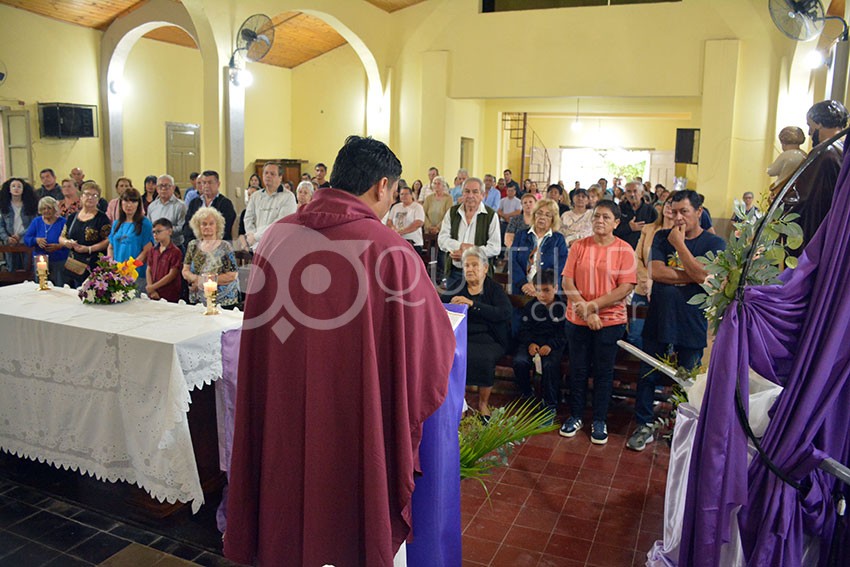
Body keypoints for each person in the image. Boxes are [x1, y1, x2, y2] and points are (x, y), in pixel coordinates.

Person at [224, 135, 455, 567]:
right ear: (381, 186)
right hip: (354, 420)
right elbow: (434, 342)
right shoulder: (391, 250)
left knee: (286, 502)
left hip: (282, 410)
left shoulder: (275, 236)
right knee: (351, 511)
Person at [627, 190, 726, 452]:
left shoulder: (714, 244)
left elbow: (708, 277)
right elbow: (657, 272)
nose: (678, 217)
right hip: (659, 318)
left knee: (686, 380)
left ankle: (679, 429)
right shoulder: (661, 237)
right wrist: (693, 276)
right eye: (674, 212)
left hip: (692, 323)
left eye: (685, 212)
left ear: (699, 213)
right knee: (647, 375)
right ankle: (645, 424)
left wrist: (680, 246)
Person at [560, 200, 637, 445]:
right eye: (596, 217)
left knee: (604, 372)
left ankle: (599, 419)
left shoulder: (625, 249)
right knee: (578, 369)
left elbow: (625, 287)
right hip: (578, 319)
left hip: (610, 321)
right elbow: (567, 282)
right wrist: (585, 309)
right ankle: (575, 416)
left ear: (616, 222)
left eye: (605, 217)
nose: (600, 221)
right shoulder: (579, 246)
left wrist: (593, 307)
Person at [444, 246, 511, 418]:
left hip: (491, 338)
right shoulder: (457, 287)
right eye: (467, 265)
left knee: (484, 357)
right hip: (464, 337)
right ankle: (461, 402)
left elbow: (504, 313)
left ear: (485, 268)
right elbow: (440, 303)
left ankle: (483, 403)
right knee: (453, 354)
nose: (470, 269)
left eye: (475, 265)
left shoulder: (494, 289)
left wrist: (473, 304)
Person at [786, 100, 848, 250]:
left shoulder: (824, 153)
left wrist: (784, 206)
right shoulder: (844, 150)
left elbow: (804, 196)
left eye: (810, 125)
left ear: (819, 123)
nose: (809, 132)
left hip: (815, 229)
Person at [512, 269, 567, 420]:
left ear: (555, 288)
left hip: (553, 345)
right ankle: (527, 393)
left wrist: (550, 345)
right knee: (520, 361)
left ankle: (550, 405)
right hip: (532, 342)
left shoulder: (563, 307)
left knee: (550, 365)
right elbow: (524, 329)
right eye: (538, 290)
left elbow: (565, 333)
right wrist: (530, 343)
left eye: (546, 290)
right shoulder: (531, 307)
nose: (542, 294)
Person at [437, 176, 501, 292]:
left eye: (475, 192)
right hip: (455, 272)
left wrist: (469, 253)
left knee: (477, 307)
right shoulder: (452, 213)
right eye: (467, 191)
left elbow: (495, 247)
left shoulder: (491, 216)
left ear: (482, 195)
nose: (470, 195)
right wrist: (460, 247)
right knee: (454, 306)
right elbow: (442, 239)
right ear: (462, 194)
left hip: (479, 273)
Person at [628, 195, 676, 349]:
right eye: (668, 203)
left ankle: (658, 369)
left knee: (664, 339)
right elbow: (637, 258)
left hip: (667, 293)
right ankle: (646, 366)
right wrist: (646, 281)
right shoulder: (649, 229)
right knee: (634, 336)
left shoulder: (682, 233)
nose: (669, 207)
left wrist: (656, 281)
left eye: (674, 204)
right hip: (643, 290)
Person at [182, 207, 239, 307]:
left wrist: (203, 281)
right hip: (198, 299)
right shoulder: (193, 245)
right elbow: (185, 270)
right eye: (204, 224)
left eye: (211, 223)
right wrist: (194, 278)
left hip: (223, 301)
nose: (207, 227)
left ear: (217, 226)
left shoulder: (225, 247)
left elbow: (232, 275)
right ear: (198, 226)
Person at [510, 199, 568, 296]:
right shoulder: (521, 235)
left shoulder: (558, 239)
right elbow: (513, 261)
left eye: (547, 215)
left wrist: (539, 287)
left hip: (547, 292)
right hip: (521, 290)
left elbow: (560, 267)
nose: (542, 218)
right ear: (534, 215)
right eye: (539, 213)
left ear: (553, 219)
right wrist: (523, 283)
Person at [58, 182, 111, 287]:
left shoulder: (102, 218)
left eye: (94, 195)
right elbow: (61, 237)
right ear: (81, 197)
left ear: (98, 199)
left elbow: (108, 240)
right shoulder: (73, 217)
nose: (90, 198)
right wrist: (67, 242)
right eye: (87, 194)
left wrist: (89, 249)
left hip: (93, 264)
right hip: (74, 264)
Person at [107, 188, 155, 291]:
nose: (129, 205)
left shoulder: (145, 223)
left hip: (136, 274)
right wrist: (111, 263)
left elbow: (147, 250)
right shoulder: (116, 223)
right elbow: (111, 247)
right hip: (117, 273)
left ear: (138, 204)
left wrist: (130, 267)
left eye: (133, 201)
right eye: (126, 201)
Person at [243, 162, 297, 250]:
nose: (268, 176)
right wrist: (251, 235)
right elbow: (248, 218)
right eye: (266, 173)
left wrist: (256, 237)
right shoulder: (255, 196)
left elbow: (280, 224)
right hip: (257, 247)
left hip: (278, 246)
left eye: (272, 174)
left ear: (280, 177)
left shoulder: (288, 197)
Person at [23, 197, 68, 287]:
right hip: (40, 259)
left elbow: (70, 240)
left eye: (49, 208)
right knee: (42, 286)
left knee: (59, 287)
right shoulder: (37, 221)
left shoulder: (63, 222)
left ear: (54, 209)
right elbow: (27, 239)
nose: (46, 211)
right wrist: (36, 240)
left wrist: (59, 246)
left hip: (59, 260)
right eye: (44, 208)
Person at [184, 170, 236, 243]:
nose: (206, 186)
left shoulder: (225, 203)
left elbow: (225, 229)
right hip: (196, 243)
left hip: (218, 245)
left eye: (210, 182)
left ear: (218, 184)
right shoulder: (194, 203)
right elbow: (187, 225)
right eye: (204, 183)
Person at [0, 178, 38, 271]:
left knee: (28, 269)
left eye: (19, 186)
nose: (16, 189)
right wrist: (7, 238)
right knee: (11, 270)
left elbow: (34, 224)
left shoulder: (31, 205)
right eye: (13, 186)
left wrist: (19, 235)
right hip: (10, 242)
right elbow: (1, 226)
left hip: (26, 241)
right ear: (9, 189)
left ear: (23, 189)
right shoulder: (4, 206)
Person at [146, 218, 183, 302]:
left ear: (169, 231)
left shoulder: (175, 251)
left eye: (158, 231)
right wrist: (150, 287)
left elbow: (172, 274)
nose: (155, 235)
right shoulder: (153, 250)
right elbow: (149, 269)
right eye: (154, 232)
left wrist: (153, 287)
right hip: (153, 291)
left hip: (168, 293)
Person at [147, 175, 188, 249]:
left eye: (167, 186)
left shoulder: (181, 206)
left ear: (173, 188)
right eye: (160, 186)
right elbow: (149, 226)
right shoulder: (152, 206)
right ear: (156, 189)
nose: (163, 189)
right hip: (157, 247)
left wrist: (164, 232)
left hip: (176, 247)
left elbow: (183, 227)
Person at [614, 181, 658, 249]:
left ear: (642, 193)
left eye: (635, 191)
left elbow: (657, 230)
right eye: (629, 191)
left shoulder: (650, 210)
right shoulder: (619, 209)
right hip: (622, 248)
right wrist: (629, 228)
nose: (632, 194)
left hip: (644, 249)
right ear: (625, 194)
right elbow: (613, 230)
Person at [767, 126, 806, 196]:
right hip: (799, 189)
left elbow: (771, 171)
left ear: (784, 142)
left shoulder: (786, 155)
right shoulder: (804, 154)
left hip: (783, 189)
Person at [387, 186, 425, 254]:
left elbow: (418, 223)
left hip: (413, 243)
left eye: (406, 194)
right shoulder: (396, 207)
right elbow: (389, 221)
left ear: (411, 195)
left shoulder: (417, 207)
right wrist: (393, 229)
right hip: (397, 241)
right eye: (402, 194)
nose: (404, 196)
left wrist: (401, 232)